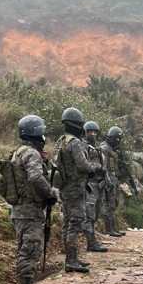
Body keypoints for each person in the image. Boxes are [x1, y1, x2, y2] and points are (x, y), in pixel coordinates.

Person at [10, 115, 59, 284]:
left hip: (23, 210)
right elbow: (36, 178)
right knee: (29, 250)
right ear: (36, 131)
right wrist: (50, 193)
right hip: (28, 210)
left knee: (29, 248)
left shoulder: (19, 151)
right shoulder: (31, 153)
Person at [52, 107, 97, 273]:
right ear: (78, 125)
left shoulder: (61, 140)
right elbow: (82, 165)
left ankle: (71, 257)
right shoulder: (75, 143)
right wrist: (94, 168)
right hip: (75, 188)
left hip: (64, 187)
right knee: (75, 222)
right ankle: (71, 260)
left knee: (67, 223)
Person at [82, 121, 108, 254]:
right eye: (90, 132)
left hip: (99, 184)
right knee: (89, 215)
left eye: (95, 132)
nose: (93, 134)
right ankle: (91, 242)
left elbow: (104, 166)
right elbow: (84, 165)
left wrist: (105, 178)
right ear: (85, 132)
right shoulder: (83, 147)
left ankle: (92, 240)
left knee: (96, 213)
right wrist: (97, 167)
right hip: (89, 184)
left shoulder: (97, 148)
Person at [100, 126, 126, 238]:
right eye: (117, 139)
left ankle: (113, 228)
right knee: (109, 204)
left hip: (113, 178)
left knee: (113, 203)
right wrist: (108, 180)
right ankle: (109, 229)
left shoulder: (111, 148)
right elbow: (104, 167)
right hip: (108, 179)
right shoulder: (105, 148)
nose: (118, 141)